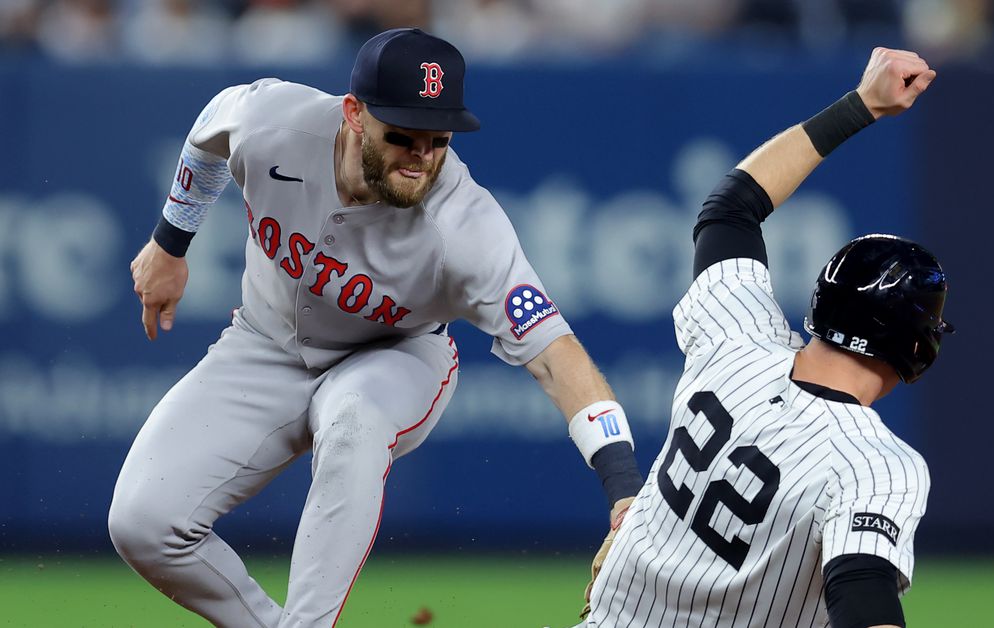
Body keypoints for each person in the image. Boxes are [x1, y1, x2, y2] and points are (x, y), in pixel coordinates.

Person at [108, 28, 643, 628]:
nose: (422, 156)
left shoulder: (465, 224)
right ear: (354, 113)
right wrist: (170, 242)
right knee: (142, 525)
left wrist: (622, 486)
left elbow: (554, 353)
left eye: (438, 139)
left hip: (398, 358)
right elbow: (208, 134)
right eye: (402, 135)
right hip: (262, 344)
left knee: (354, 416)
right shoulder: (272, 121)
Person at [580, 47, 949, 627]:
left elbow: (731, 208)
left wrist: (862, 104)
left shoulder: (737, 341)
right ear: (916, 345)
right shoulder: (877, 465)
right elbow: (862, 598)